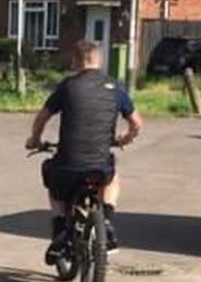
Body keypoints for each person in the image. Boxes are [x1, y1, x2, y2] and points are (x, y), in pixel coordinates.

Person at [25, 40, 143, 263]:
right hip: (99, 167)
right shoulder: (114, 87)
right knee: (113, 177)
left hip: (68, 165)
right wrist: (123, 139)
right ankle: (106, 222)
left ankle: (60, 230)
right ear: (99, 60)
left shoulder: (67, 86)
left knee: (52, 177)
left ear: (75, 61)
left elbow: (43, 117)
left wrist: (35, 140)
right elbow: (137, 123)